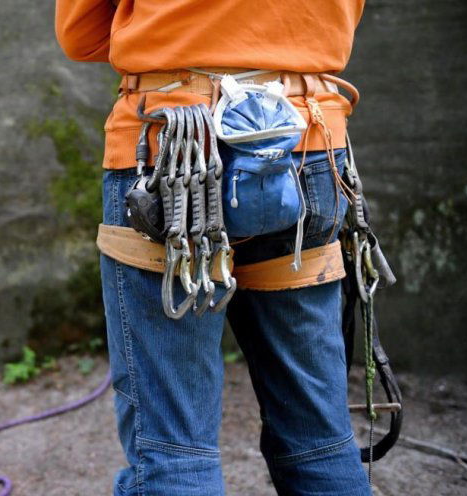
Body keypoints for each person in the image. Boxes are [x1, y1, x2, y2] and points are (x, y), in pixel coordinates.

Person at [55, 1, 371, 495]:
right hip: (305, 141)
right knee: (319, 438)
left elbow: (83, 35)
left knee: (175, 448)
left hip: (171, 150)